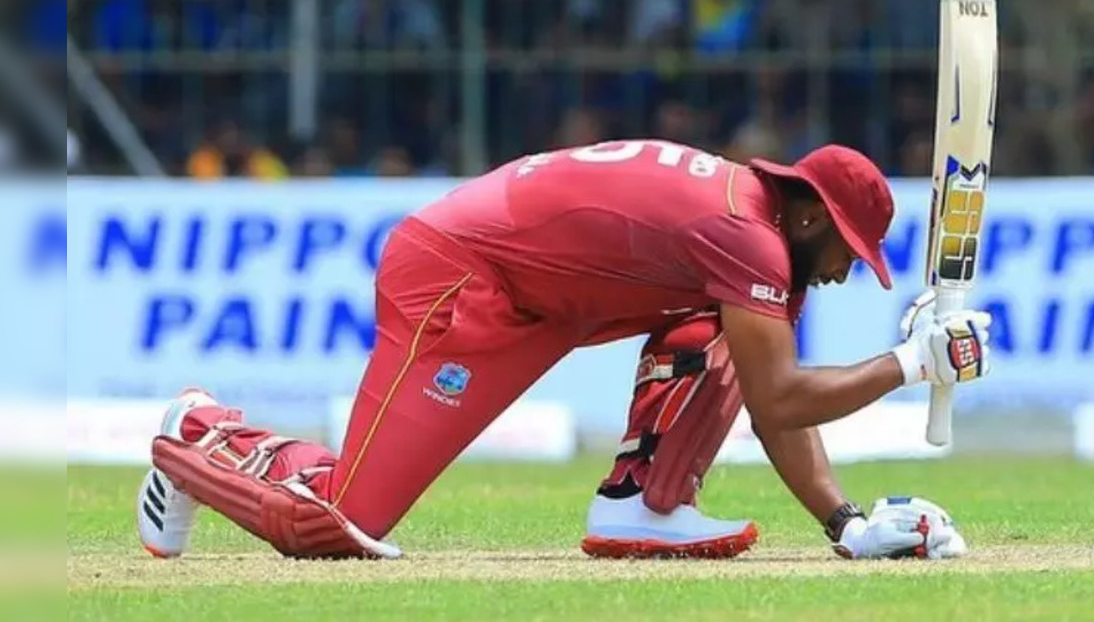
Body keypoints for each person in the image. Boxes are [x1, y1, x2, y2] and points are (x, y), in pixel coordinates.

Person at [137, 140, 992, 562]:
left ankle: (643, 506)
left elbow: (766, 393)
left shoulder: (761, 239)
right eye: (848, 249)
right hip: (459, 276)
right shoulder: (748, 237)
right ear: (809, 215)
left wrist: (844, 526)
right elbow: (782, 402)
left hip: (538, 299)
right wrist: (910, 363)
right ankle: (196, 432)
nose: (846, 272)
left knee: (723, 335)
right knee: (339, 524)